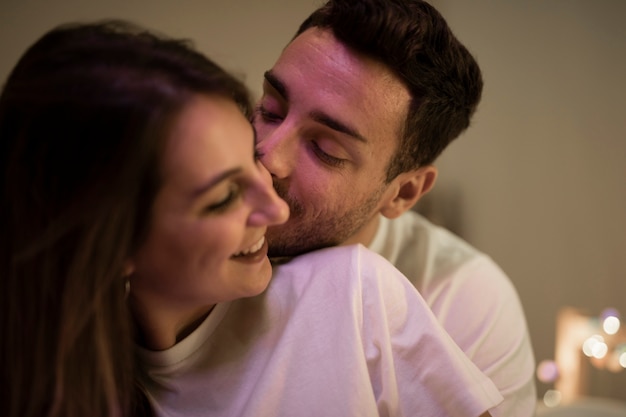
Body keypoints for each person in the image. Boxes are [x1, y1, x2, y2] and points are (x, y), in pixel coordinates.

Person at [1, 20, 501, 417]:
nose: (274, 202)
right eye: (223, 197)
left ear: (406, 190)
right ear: (111, 247)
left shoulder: (356, 294)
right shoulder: (51, 365)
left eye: (326, 149)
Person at [253, 0, 537, 416]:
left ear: (403, 193)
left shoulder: (462, 301)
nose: (267, 156)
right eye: (271, 110)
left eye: (325, 149)